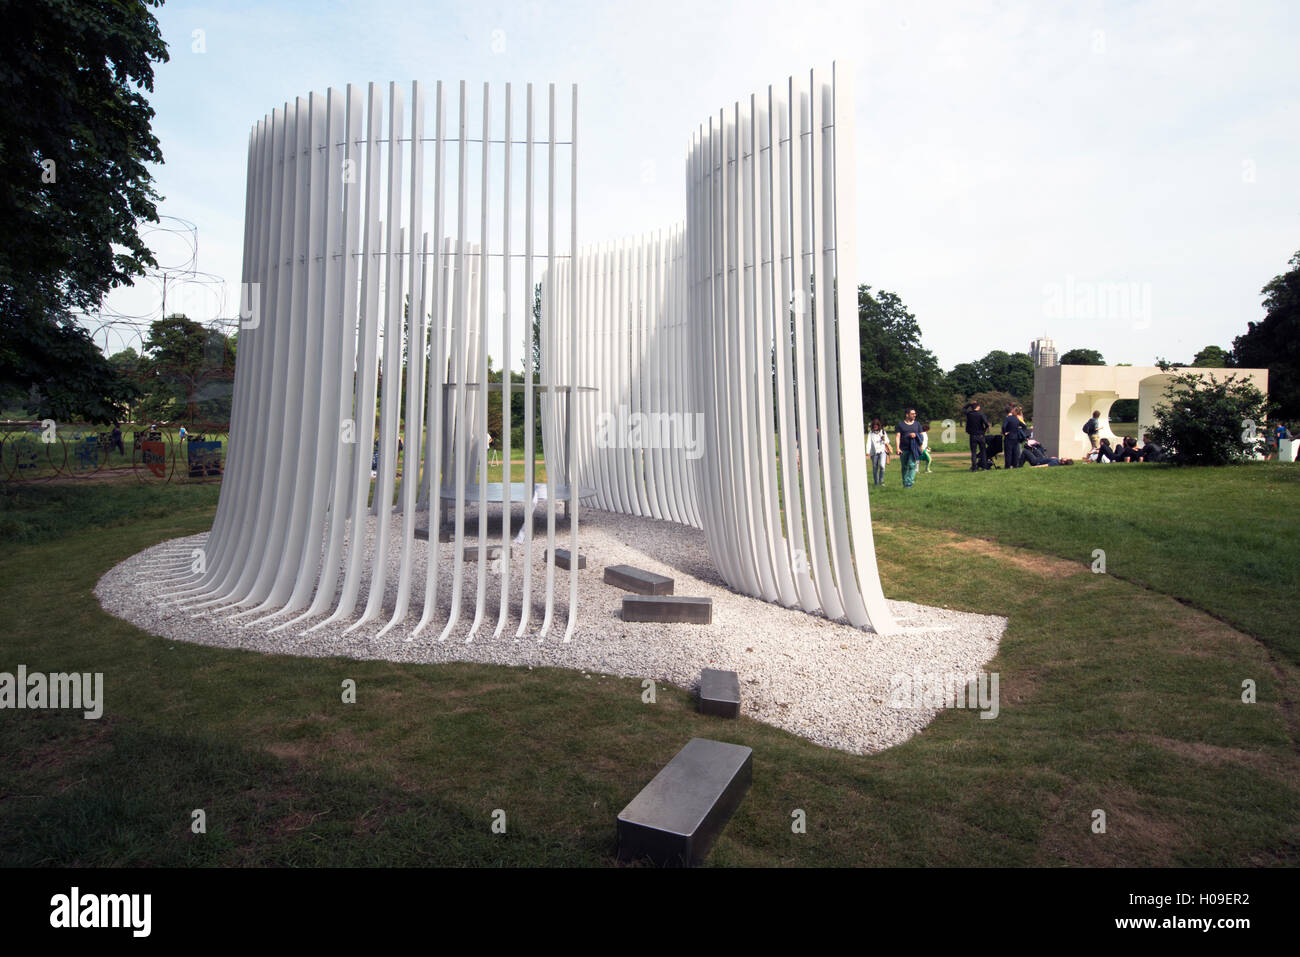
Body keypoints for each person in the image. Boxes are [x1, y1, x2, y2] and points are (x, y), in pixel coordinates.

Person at [894, 408, 924, 488]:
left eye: (915, 413)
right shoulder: (900, 425)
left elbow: (921, 435)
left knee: (911, 465)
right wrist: (897, 448)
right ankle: (905, 483)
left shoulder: (917, 424)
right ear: (907, 415)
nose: (914, 415)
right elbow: (897, 436)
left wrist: (921, 446)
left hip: (914, 449)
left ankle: (909, 483)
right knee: (904, 466)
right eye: (912, 413)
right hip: (903, 449)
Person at [965, 400, 990, 471]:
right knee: (983, 451)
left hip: (972, 435)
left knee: (973, 452)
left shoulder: (969, 414)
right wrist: (984, 431)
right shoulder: (981, 414)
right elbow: (987, 424)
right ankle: (984, 467)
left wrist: (970, 403)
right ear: (978, 407)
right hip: (981, 435)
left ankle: (974, 467)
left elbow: (963, 409)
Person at [866, 417, 891, 486]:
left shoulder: (883, 432)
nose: (875, 427)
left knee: (882, 466)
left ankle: (881, 481)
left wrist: (883, 439)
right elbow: (868, 442)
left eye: (876, 426)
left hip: (882, 451)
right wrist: (867, 451)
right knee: (875, 467)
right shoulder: (870, 433)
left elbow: (887, 442)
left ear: (878, 426)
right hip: (874, 452)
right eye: (874, 426)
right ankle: (876, 482)